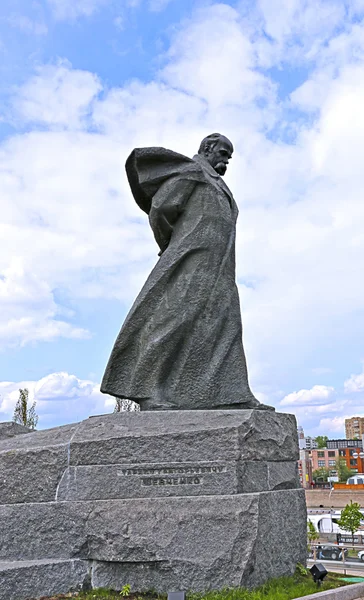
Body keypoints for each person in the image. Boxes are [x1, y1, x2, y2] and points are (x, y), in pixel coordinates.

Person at [101, 134, 274, 411]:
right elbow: (161, 209)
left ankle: (232, 392)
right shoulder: (191, 172)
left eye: (229, 155)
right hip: (192, 261)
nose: (226, 159)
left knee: (226, 325)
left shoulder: (219, 185)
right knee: (173, 320)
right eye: (222, 152)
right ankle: (147, 391)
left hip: (220, 269)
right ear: (207, 149)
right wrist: (174, 244)